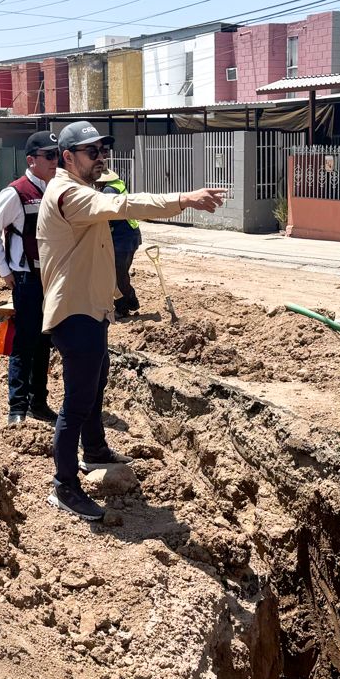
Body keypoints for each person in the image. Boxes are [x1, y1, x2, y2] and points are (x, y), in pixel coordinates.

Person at [38, 121, 225, 521]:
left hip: (92, 307)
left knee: (96, 381)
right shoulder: (68, 193)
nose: (100, 156)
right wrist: (184, 199)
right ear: (68, 157)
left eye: (102, 149)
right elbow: (124, 206)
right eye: (91, 151)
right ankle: (65, 487)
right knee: (76, 401)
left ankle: (95, 450)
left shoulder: (81, 188)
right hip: (75, 312)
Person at [0, 131, 60, 426]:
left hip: (50, 278)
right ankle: (17, 406)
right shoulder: (15, 193)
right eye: (49, 156)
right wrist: (5, 271)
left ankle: (38, 402)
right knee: (25, 343)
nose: (56, 161)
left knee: (44, 342)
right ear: (32, 160)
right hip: (26, 279)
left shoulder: (55, 190)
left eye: (57, 155)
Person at [96, 169, 142, 316]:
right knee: (120, 274)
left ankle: (124, 307)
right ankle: (130, 301)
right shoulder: (117, 184)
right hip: (130, 234)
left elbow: (107, 215)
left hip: (123, 238)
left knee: (116, 275)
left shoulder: (108, 190)